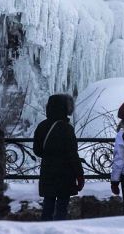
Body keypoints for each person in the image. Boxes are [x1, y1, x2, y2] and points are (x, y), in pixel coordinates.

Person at [33, 93, 85, 221]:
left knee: (48, 205)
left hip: (48, 171)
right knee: (62, 208)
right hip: (65, 174)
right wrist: (80, 175)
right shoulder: (67, 128)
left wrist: (50, 155)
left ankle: (45, 229)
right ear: (65, 108)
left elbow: (37, 151)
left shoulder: (42, 126)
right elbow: (73, 154)